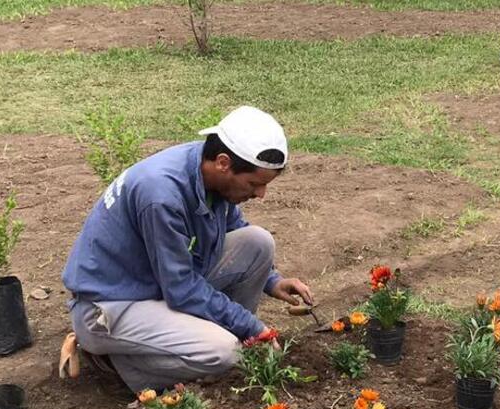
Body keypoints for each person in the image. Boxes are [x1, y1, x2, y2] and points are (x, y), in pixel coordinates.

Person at [62, 106, 314, 392]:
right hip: (110, 305)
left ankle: (201, 340)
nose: (260, 194)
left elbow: (232, 226)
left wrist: (273, 281)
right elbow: (181, 289)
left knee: (258, 242)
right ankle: (120, 365)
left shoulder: (205, 169)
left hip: (153, 285)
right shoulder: (161, 194)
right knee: (226, 353)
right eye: (254, 183)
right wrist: (252, 327)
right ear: (223, 162)